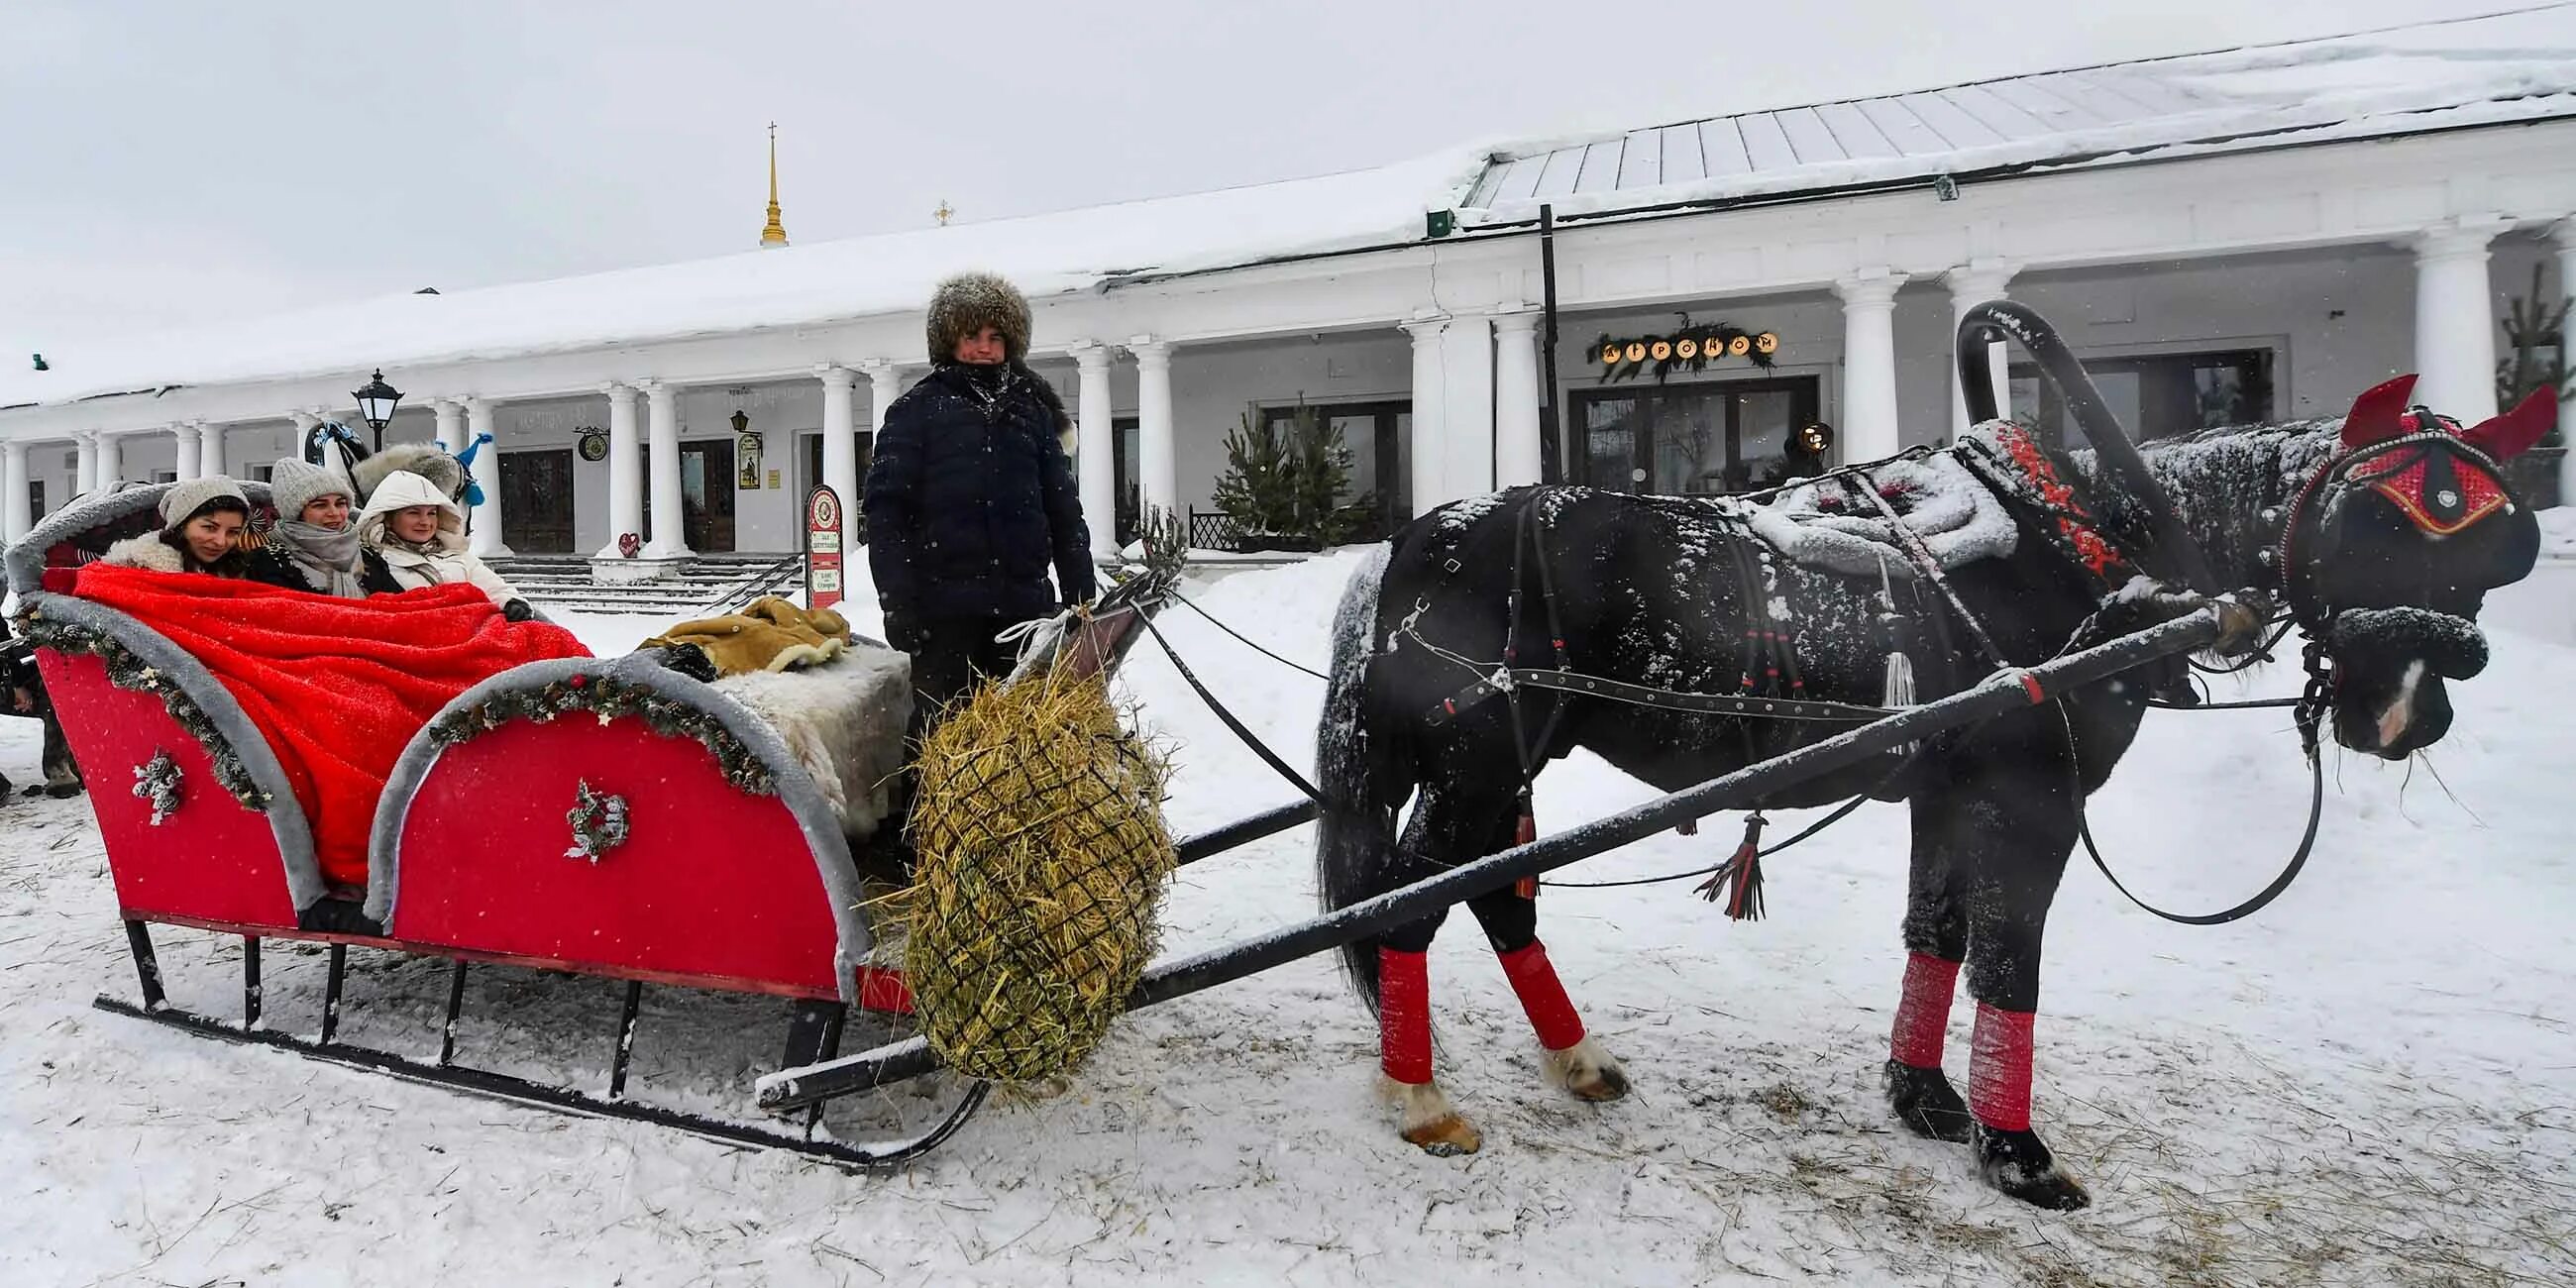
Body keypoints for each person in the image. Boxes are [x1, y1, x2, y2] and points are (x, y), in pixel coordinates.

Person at [863, 270, 1096, 717]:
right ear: (948, 340)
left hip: (1025, 616)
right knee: (940, 747)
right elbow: (886, 517)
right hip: (945, 622)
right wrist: (899, 606)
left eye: (995, 336)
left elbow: (1064, 512)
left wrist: (1080, 596)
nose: (984, 348)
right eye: (971, 335)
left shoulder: (1032, 413)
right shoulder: (914, 412)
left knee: (1023, 747)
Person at [356, 469, 536, 620]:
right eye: (414, 513)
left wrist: (512, 603)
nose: (425, 522)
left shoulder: (458, 555)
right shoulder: (374, 563)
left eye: (431, 513)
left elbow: (495, 588)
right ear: (388, 519)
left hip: (473, 635)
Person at [244, 458, 404, 597]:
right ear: (297, 513)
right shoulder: (270, 561)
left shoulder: (368, 555)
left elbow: (398, 603)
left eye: (340, 503)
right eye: (320, 505)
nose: (334, 513)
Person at [99, 478, 254, 577]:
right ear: (181, 524)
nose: (221, 542)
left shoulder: (238, 570)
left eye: (233, 532)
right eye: (209, 528)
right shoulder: (133, 568)